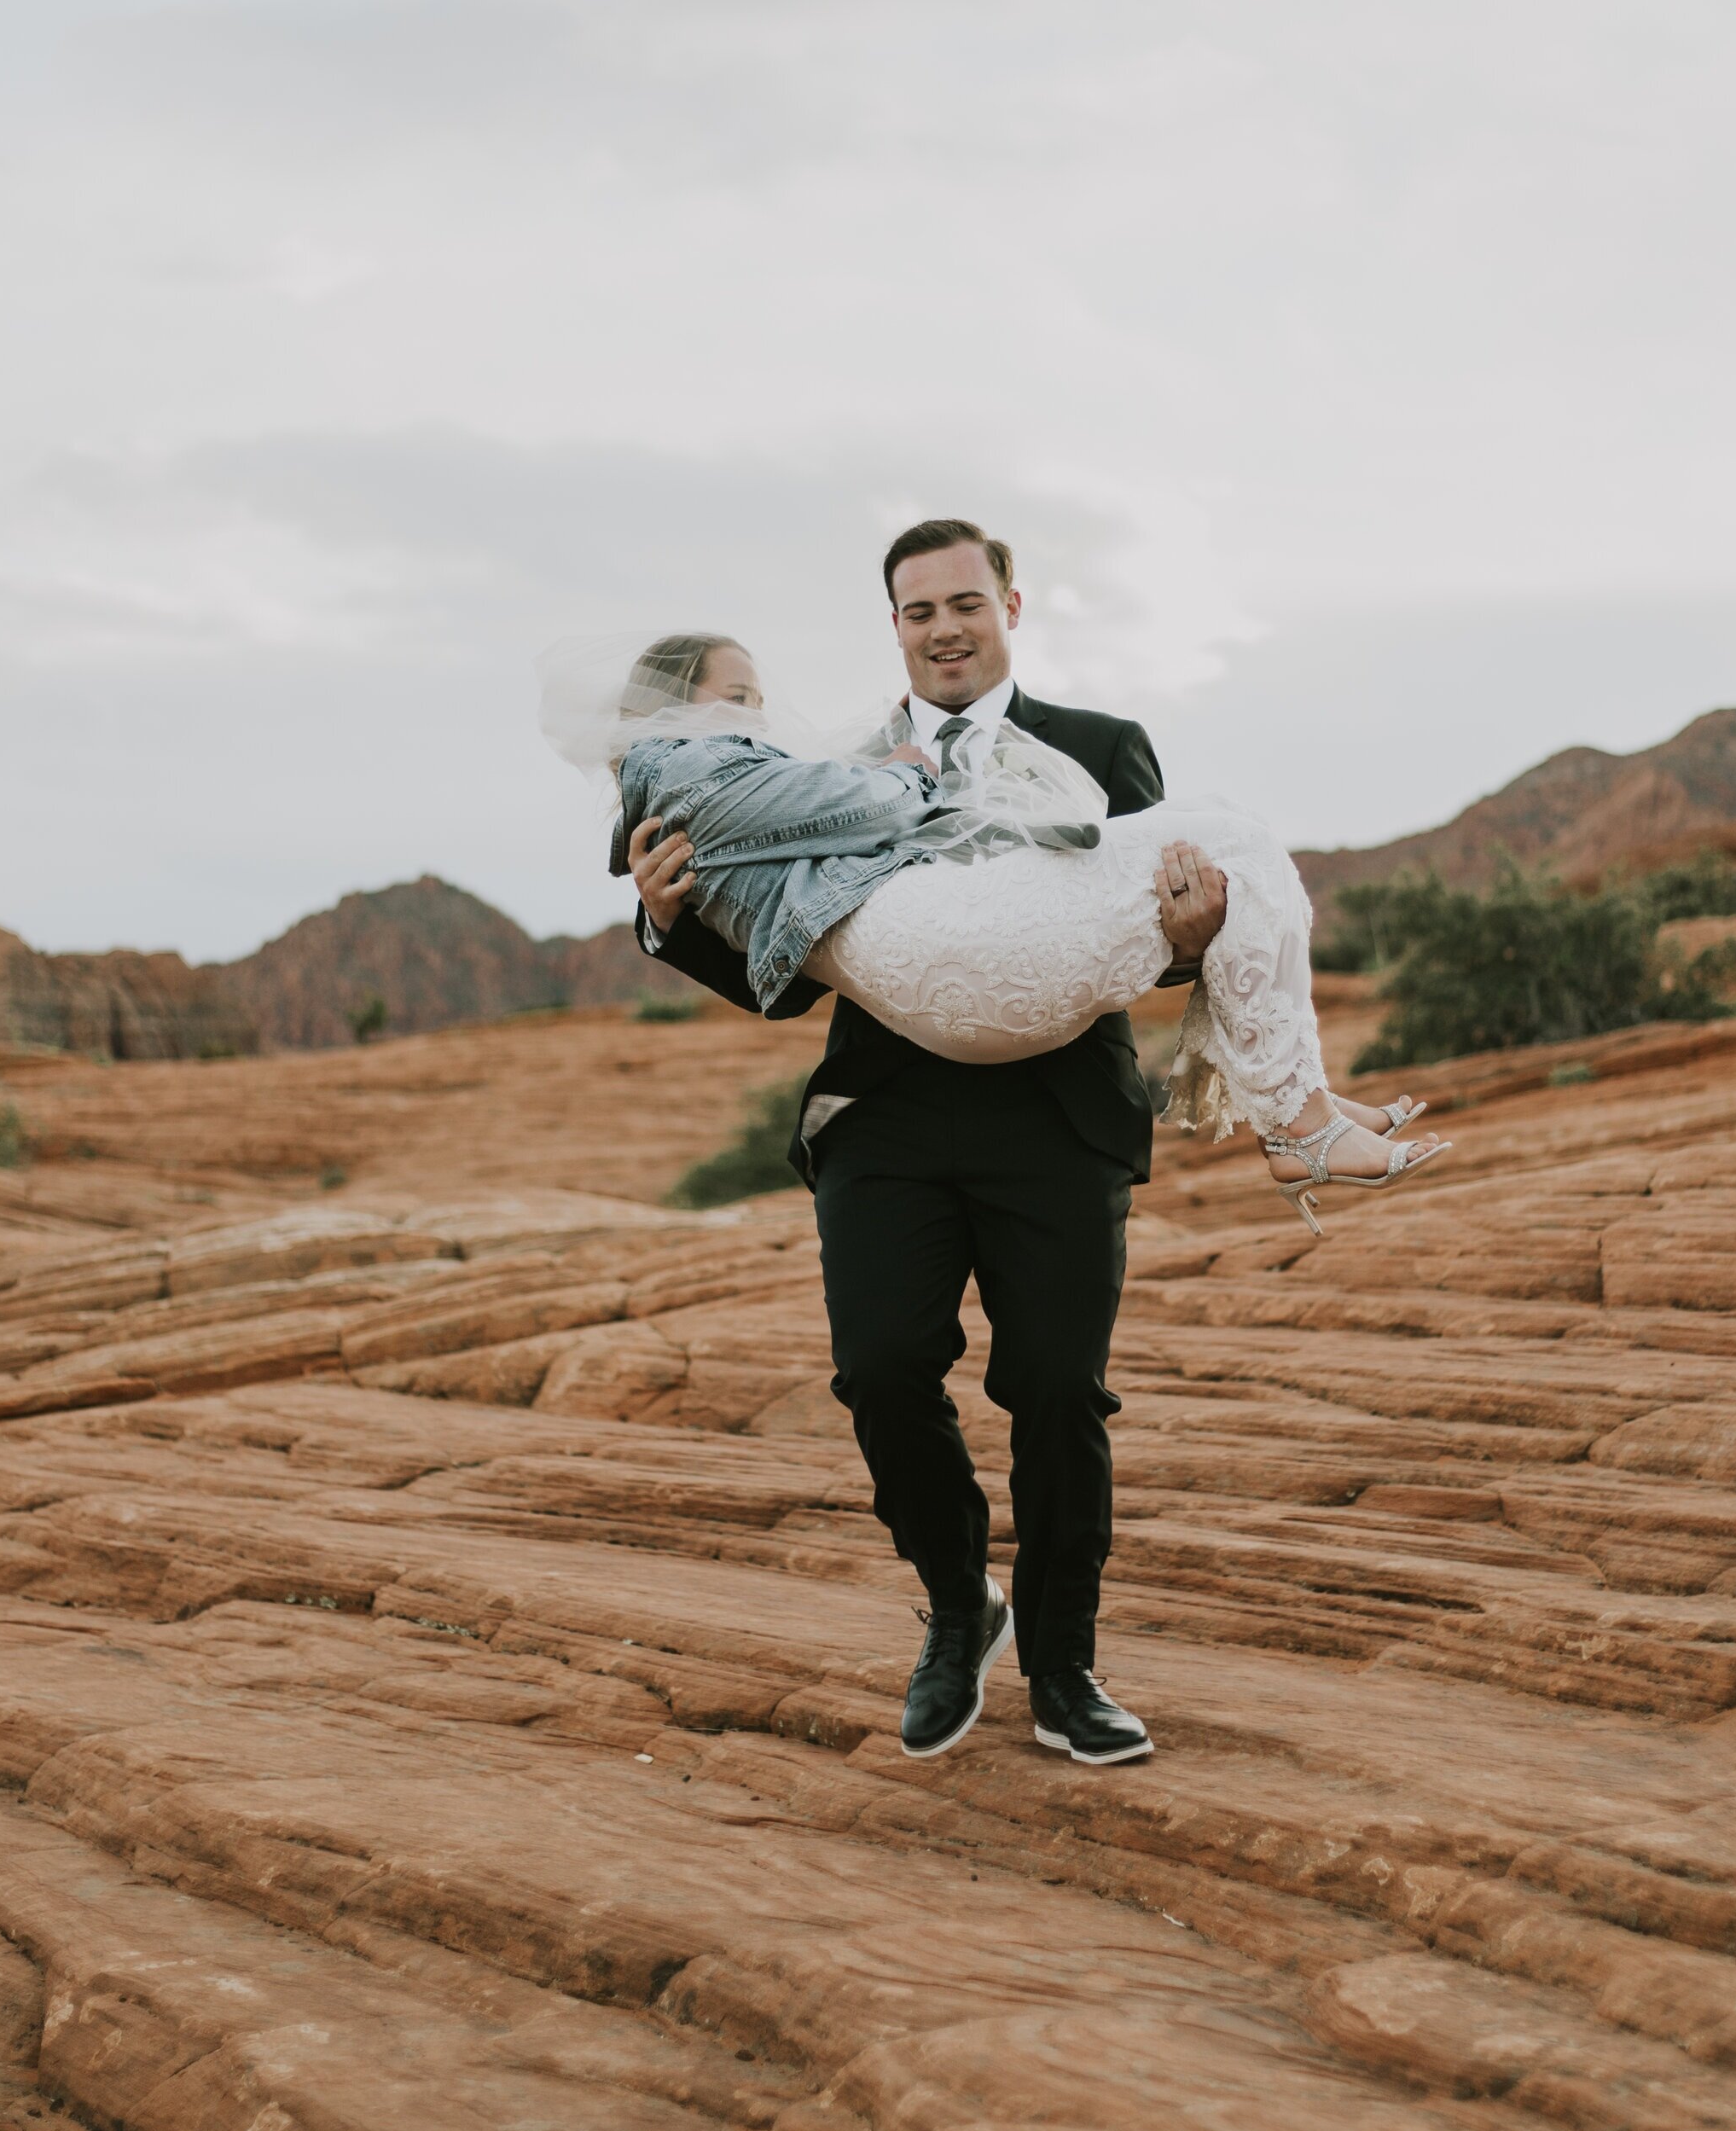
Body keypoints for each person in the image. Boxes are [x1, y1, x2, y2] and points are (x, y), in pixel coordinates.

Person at [553, 525, 1443, 1770]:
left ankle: (1067, 1671)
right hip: (890, 1121)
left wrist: (1194, 941)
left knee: (1058, 1395)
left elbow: (1141, 928)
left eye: (965, 603)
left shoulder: (1105, 743)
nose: (945, 629)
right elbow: (790, 978)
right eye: (918, 613)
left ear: (1009, 604)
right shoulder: (835, 762)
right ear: (896, 629)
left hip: (1056, 1120)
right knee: (878, 1371)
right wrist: (666, 924)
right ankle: (958, 1603)